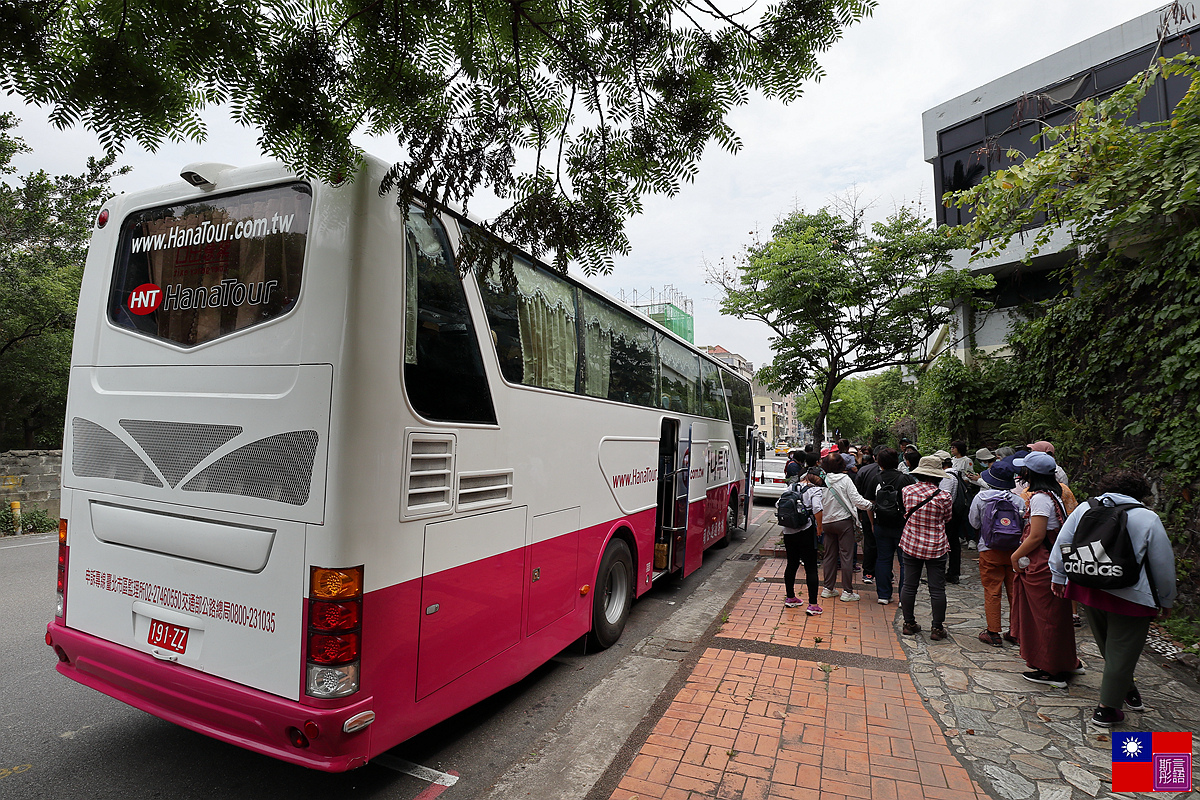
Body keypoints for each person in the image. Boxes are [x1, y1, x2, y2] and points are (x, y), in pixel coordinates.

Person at [1048, 470, 1177, 727]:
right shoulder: (1146, 518)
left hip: (1088, 585)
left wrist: (1058, 576)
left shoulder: (1086, 508)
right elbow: (1162, 563)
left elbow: (1064, 542)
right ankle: (1107, 709)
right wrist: (1166, 599)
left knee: (1110, 647)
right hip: (1131, 595)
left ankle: (1126, 690)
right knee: (1121, 650)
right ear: (1141, 492)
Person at [1010, 451, 1081, 688]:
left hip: (1042, 563)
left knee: (1045, 617)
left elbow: (1037, 535)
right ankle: (1066, 661)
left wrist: (1016, 556)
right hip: (1053, 561)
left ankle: (1052, 670)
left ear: (1030, 473)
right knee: (1056, 616)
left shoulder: (1040, 498)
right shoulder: (1056, 494)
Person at [968, 462, 1026, 647]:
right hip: (1013, 551)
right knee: (1014, 591)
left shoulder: (981, 498)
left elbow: (974, 523)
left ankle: (993, 632)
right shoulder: (1018, 500)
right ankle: (1016, 631)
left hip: (989, 549)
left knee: (992, 591)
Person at [899, 455, 954, 639]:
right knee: (937, 589)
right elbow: (947, 519)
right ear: (938, 476)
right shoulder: (944, 496)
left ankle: (909, 623)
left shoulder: (907, 491)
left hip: (911, 543)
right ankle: (937, 628)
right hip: (935, 546)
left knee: (909, 584)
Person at [862, 446, 914, 605]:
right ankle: (904, 597)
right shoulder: (906, 479)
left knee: (883, 559)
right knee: (905, 562)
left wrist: (872, 523)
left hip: (881, 524)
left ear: (879, 462)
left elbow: (870, 504)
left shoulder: (875, 479)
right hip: (902, 525)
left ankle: (883, 595)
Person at [818, 453, 873, 601]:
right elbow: (857, 500)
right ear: (842, 465)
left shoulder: (823, 480)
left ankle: (828, 589)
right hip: (843, 522)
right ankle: (847, 592)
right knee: (846, 556)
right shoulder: (845, 479)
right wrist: (871, 505)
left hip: (827, 522)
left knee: (829, 556)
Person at [779, 468, 826, 616]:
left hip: (788, 531)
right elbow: (817, 508)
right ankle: (813, 605)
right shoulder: (814, 490)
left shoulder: (790, 487)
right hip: (806, 531)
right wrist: (819, 527)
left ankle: (790, 597)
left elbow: (778, 505)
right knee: (811, 567)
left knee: (791, 564)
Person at [854, 453, 882, 585]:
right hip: (890, 515)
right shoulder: (899, 476)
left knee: (870, 542)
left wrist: (859, 511)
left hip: (867, 510)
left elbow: (857, 491)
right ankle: (885, 573)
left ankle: (868, 572)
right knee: (885, 545)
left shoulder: (864, 470)